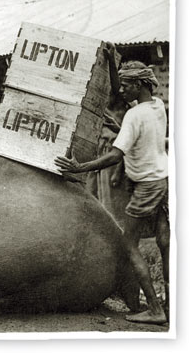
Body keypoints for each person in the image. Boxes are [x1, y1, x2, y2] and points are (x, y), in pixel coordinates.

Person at [54, 59, 169, 325]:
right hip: (162, 181)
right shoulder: (156, 105)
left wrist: (79, 166)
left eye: (126, 85)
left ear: (138, 84)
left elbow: (115, 156)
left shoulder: (133, 115)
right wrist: (112, 64)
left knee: (129, 244)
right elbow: (132, 116)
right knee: (165, 244)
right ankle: (170, 305)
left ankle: (154, 309)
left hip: (146, 187)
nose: (121, 91)